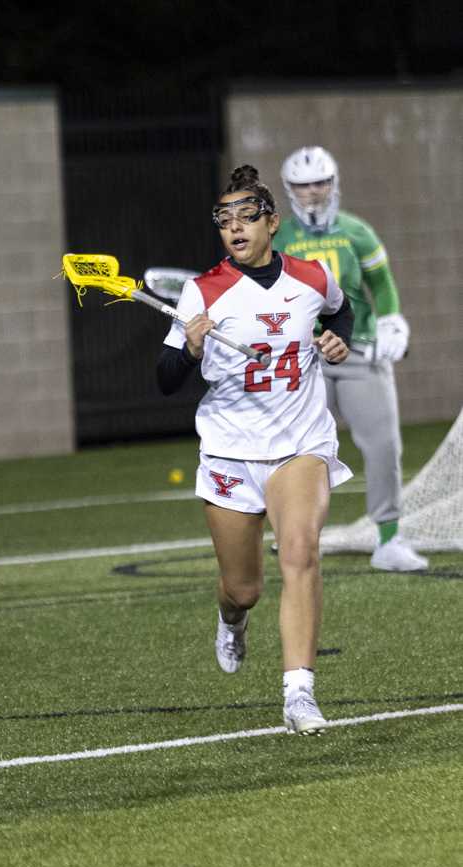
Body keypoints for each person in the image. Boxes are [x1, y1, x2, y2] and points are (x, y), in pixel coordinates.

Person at [156, 165, 355, 735]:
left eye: (246, 216)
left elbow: (340, 312)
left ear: (273, 221)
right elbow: (166, 378)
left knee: (300, 552)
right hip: (230, 452)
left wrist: (339, 340)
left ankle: (299, 695)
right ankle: (231, 618)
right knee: (244, 587)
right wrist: (191, 348)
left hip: (301, 443)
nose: (235, 227)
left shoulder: (312, 278)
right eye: (224, 220)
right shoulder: (203, 291)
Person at [276, 146, 427, 572]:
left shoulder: (357, 231)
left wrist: (393, 320)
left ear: (334, 183)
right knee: (299, 451)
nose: (312, 193)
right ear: (290, 190)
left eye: (320, 183)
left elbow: (382, 283)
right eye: (303, 186)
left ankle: (389, 538)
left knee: (383, 445)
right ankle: (298, 536)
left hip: (358, 348)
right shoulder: (281, 238)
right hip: (305, 355)